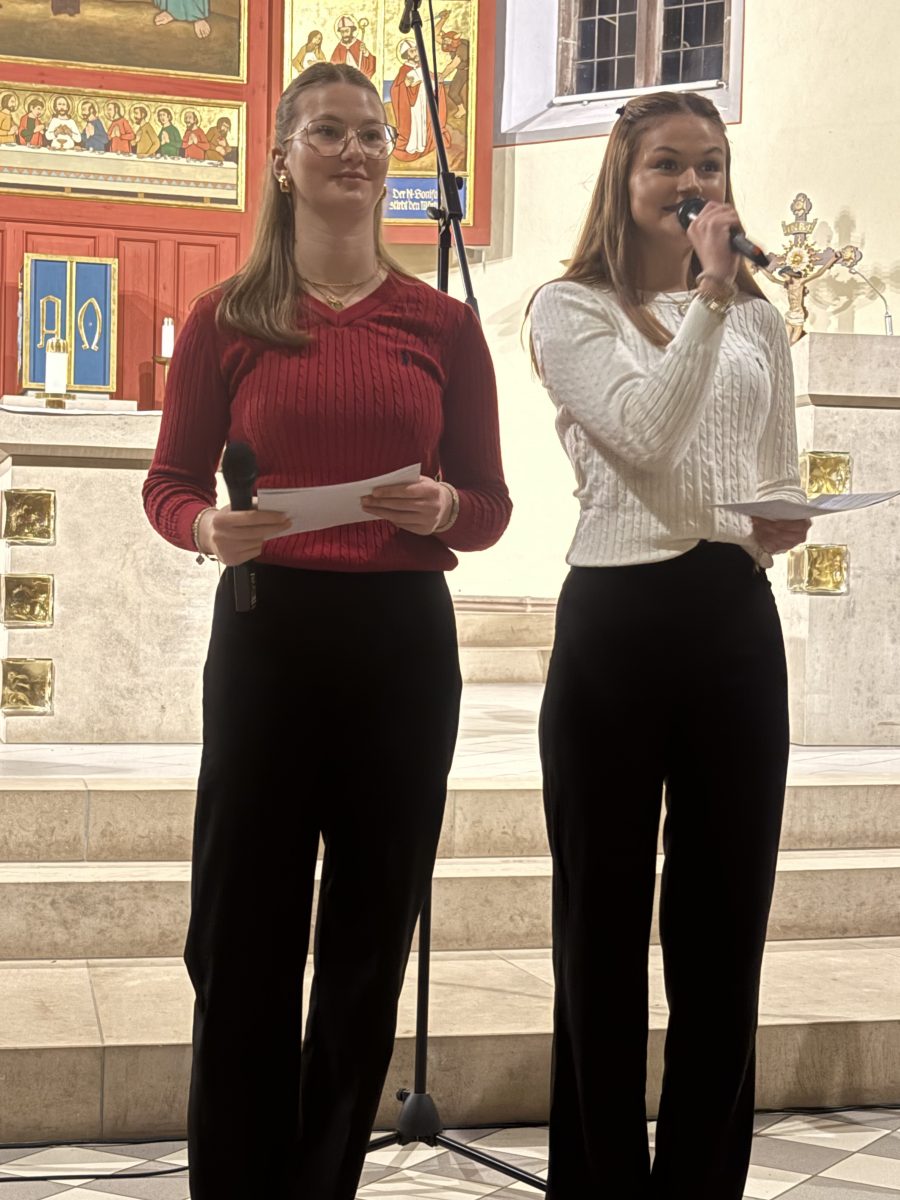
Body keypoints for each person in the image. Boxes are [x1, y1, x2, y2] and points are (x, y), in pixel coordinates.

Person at [143, 60, 510, 1200]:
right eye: (330, 133)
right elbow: (168, 483)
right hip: (270, 633)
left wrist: (444, 508)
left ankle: (319, 1181)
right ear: (282, 161)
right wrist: (207, 528)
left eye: (372, 135)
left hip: (402, 643)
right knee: (239, 933)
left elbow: (491, 504)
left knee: (367, 939)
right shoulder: (227, 317)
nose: (356, 151)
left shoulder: (443, 324)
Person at [527, 90, 811, 1200]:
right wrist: (709, 298)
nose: (694, 184)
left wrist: (779, 518)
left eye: (711, 164)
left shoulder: (761, 321)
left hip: (732, 620)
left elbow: (772, 468)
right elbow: (644, 438)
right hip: (617, 620)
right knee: (600, 928)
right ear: (624, 177)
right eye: (668, 165)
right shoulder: (570, 309)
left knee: (724, 929)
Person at [390, 39, 450, 162]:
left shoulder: (423, 67)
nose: (416, 53)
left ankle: (423, 144)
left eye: (417, 50)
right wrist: (405, 85)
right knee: (416, 124)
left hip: (424, 103)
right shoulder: (404, 70)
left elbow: (432, 80)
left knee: (423, 122)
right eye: (412, 51)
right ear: (406, 55)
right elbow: (395, 89)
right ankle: (414, 145)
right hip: (413, 105)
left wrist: (438, 81)